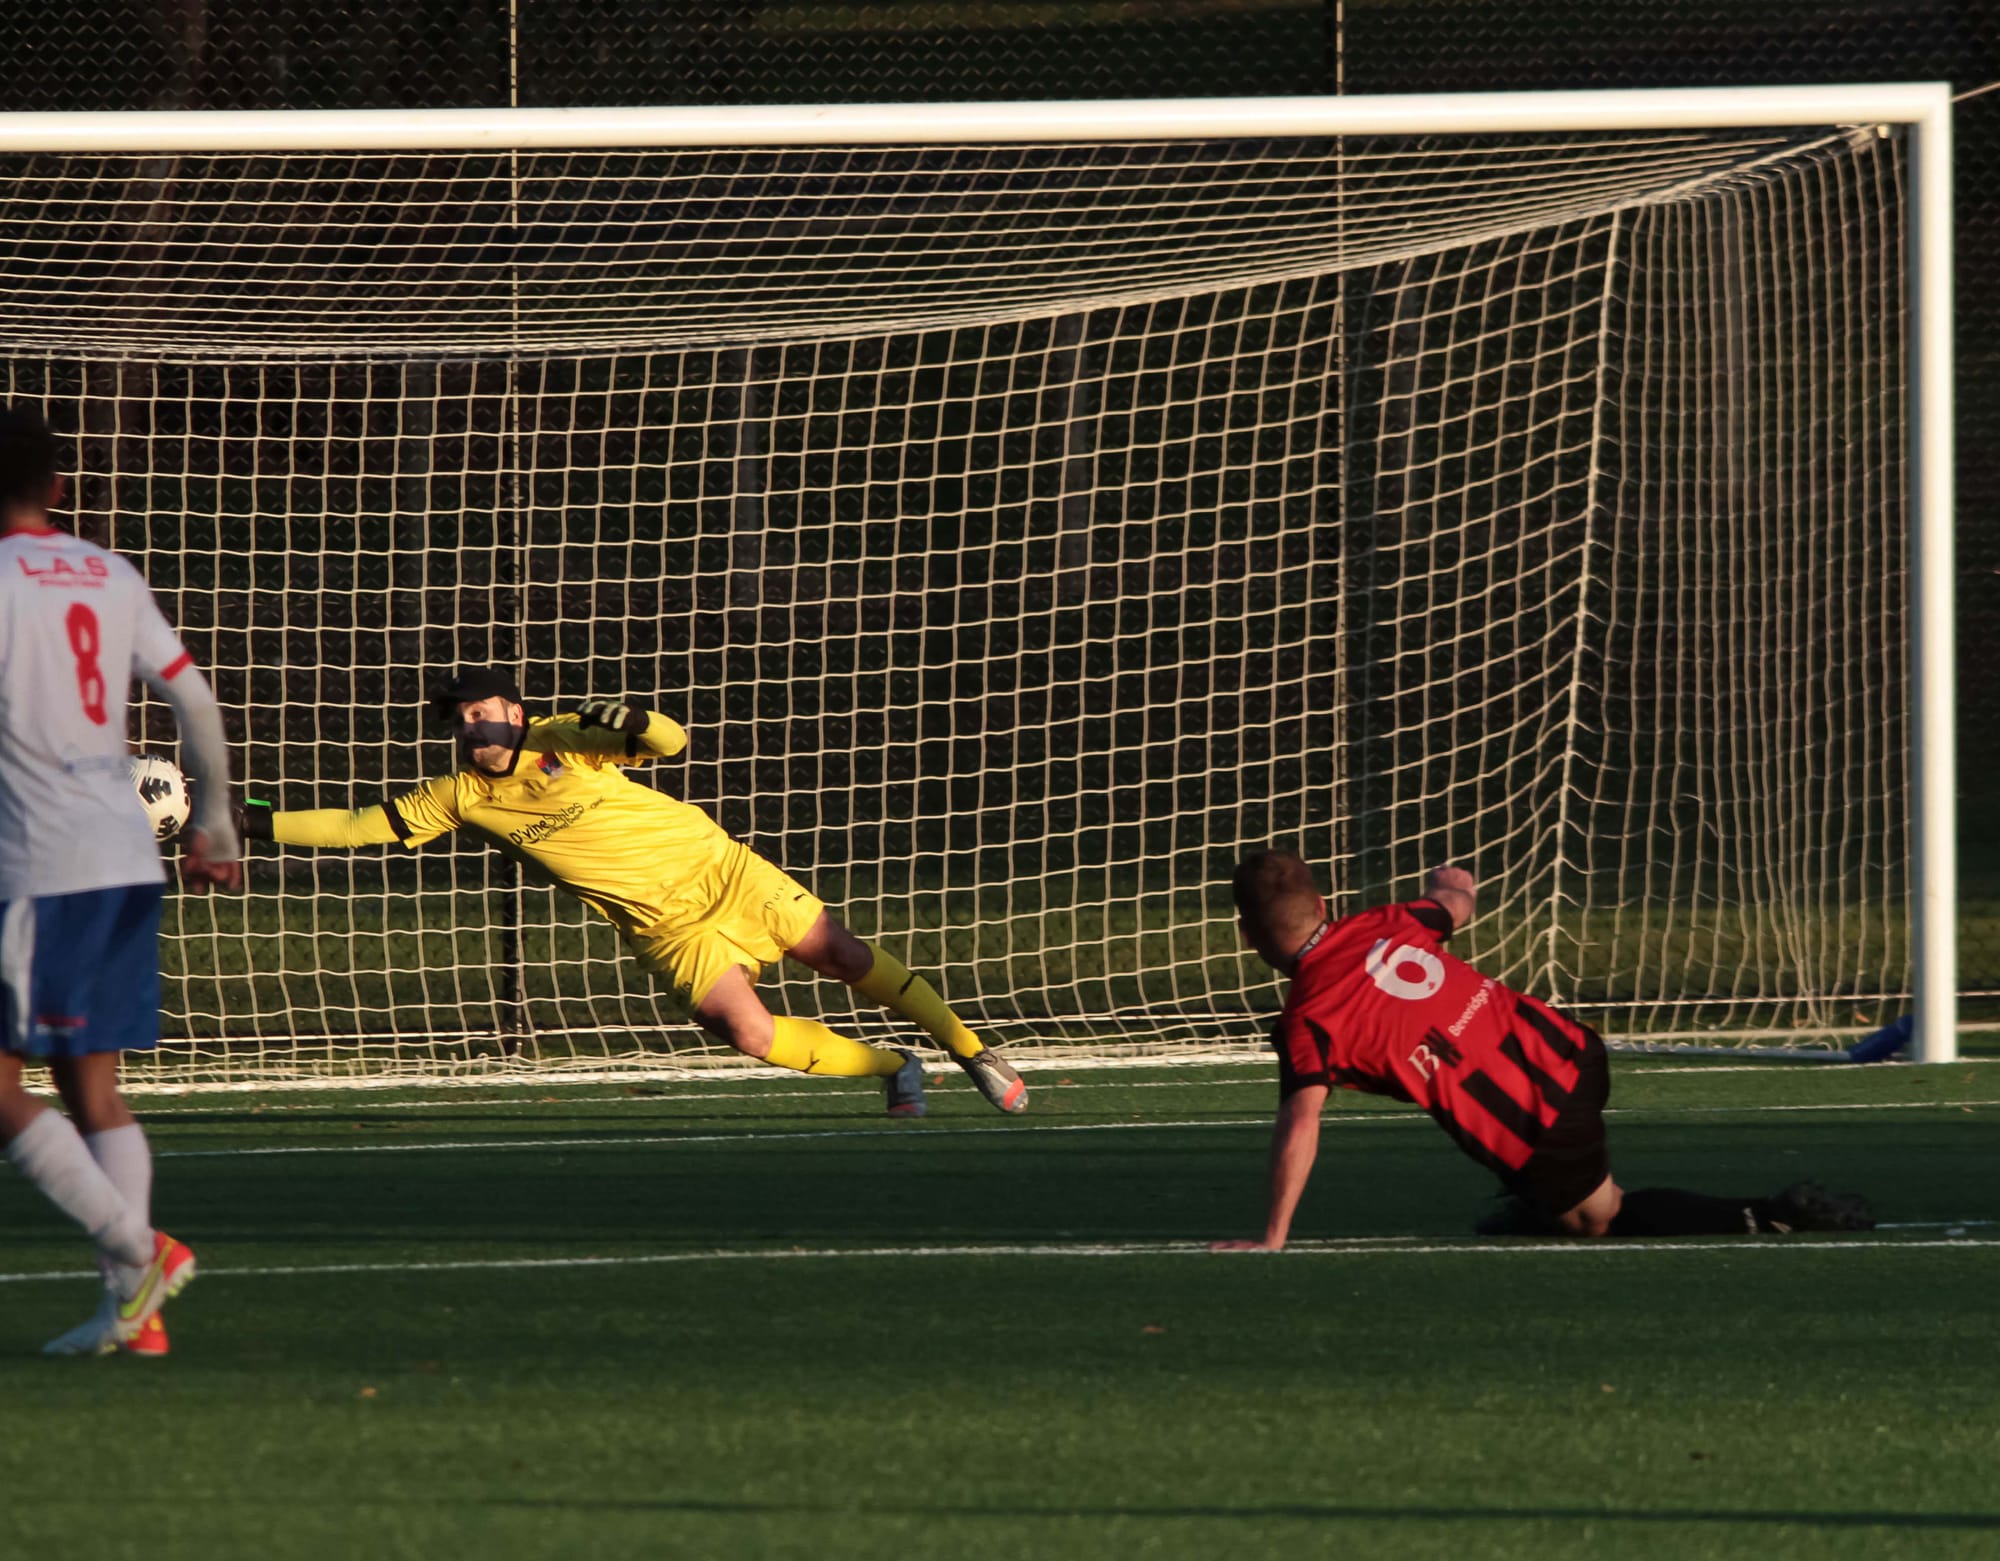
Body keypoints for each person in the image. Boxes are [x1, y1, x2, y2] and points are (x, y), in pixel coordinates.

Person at [237, 667, 1026, 1117]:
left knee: (842, 955)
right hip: (663, 925)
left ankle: (971, 1051)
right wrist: (255, 823)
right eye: (460, 722)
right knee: (749, 1036)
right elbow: (356, 823)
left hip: (720, 870)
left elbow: (671, 742)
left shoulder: (561, 737)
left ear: (513, 711)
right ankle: (892, 1066)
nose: (473, 728)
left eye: (482, 713)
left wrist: (636, 718)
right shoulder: (457, 795)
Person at [1212, 850, 1872, 1249]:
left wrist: (1272, 1235)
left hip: (1536, 1119)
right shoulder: (1385, 920)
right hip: (1571, 1050)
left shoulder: (1308, 1019)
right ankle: (1533, 1203)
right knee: (1557, 1194)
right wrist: (1454, 880)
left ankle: (1771, 1214)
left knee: (1599, 1220)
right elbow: (1454, 900)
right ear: (1324, 902)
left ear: (1247, 936)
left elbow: (1301, 1122)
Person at [0, 406, 242, 1357]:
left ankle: (135, 1247)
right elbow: (191, 695)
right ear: (58, 488)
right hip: (120, 853)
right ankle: (135, 1315)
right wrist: (215, 823)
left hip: (32, 860)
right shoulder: (108, 569)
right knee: (90, 1084)